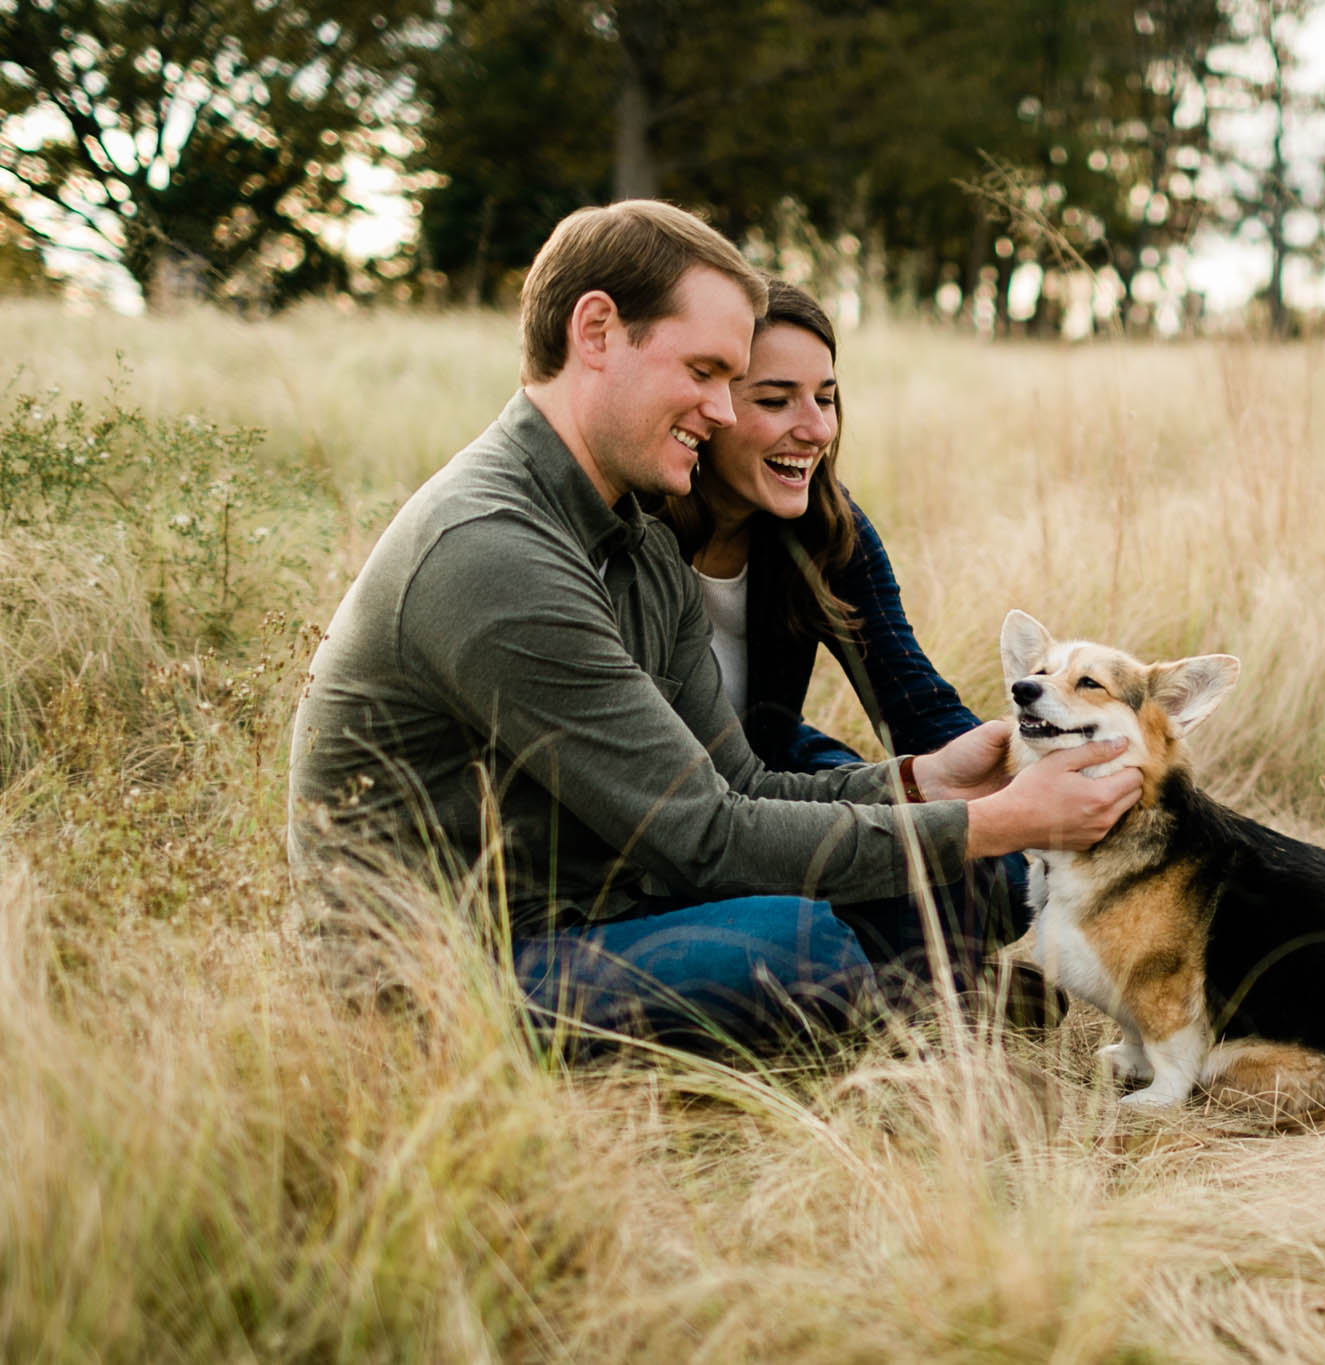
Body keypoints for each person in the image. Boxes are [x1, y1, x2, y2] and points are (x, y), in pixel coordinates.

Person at [287, 200, 1139, 1052]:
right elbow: (705, 835)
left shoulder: (637, 537)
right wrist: (1002, 823)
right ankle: (916, 1006)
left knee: (919, 885)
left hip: (610, 901)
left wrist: (922, 781)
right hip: (455, 965)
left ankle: (912, 999)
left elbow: (739, 782)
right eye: (704, 371)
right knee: (802, 947)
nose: (724, 411)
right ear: (597, 331)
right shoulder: (492, 550)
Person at [660, 278, 1034, 935]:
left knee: (1001, 875)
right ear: (708, 406)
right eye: (776, 400)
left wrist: (1030, 774)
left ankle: (921, 966)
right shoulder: (639, 539)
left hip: (780, 770)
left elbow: (912, 700)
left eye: (827, 399)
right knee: (796, 926)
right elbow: (691, 814)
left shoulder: (826, 530)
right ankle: (903, 967)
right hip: (680, 808)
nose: (815, 429)